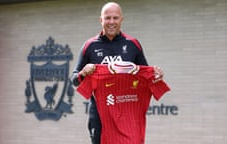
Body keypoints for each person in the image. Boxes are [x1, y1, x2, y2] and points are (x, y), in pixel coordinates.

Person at [70, 2, 164, 144]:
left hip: (127, 114)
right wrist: (83, 73)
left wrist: (156, 75)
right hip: (100, 116)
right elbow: (74, 79)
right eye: (107, 18)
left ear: (121, 20)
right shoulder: (90, 46)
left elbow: (146, 77)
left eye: (115, 18)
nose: (111, 22)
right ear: (100, 20)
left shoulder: (133, 44)